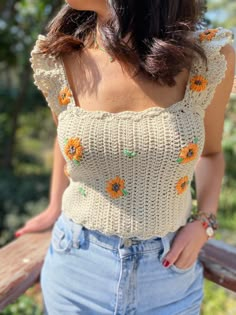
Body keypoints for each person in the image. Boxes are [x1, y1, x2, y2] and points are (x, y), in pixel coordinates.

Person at [15, 0, 235, 314]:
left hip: (169, 277)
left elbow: (211, 153)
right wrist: (53, 206)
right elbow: (67, 135)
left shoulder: (208, 59)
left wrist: (205, 222)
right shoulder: (60, 56)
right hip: (74, 273)